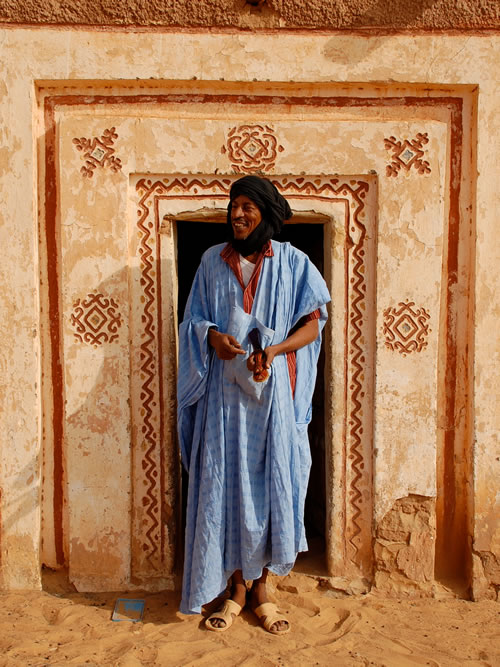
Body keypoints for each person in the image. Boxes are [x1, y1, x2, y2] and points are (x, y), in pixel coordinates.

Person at [177, 175, 330, 634]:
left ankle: (262, 591)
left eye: (247, 206)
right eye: (233, 206)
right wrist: (213, 337)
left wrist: (276, 351)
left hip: (272, 401)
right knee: (227, 489)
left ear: (265, 212)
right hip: (223, 403)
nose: (237, 215)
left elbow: (314, 324)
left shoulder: (293, 262)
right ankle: (234, 592)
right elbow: (193, 320)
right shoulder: (210, 261)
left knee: (270, 485)